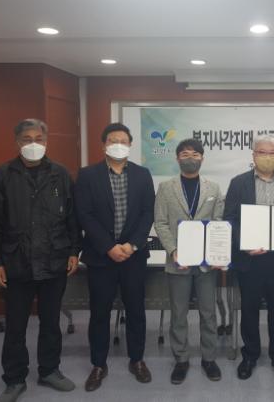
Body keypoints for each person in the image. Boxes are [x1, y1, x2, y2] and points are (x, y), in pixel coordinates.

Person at [0, 118, 79, 402]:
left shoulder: (60, 174)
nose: (33, 144)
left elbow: (72, 217)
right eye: (27, 139)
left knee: (51, 322)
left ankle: (49, 370)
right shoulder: (2, 175)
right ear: (17, 142)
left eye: (39, 138)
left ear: (46, 141)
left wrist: (74, 251)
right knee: (15, 326)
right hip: (16, 263)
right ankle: (14, 379)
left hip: (54, 261)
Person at [75, 123, 155, 391]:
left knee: (136, 311)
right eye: (112, 140)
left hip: (134, 256)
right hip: (101, 257)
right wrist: (109, 246)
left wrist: (132, 245)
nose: (118, 144)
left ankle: (137, 360)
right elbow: (85, 214)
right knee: (99, 313)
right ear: (104, 145)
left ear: (130, 144)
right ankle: (98, 364)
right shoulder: (88, 175)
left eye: (123, 140)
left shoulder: (143, 175)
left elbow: (148, 213)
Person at [224, 134, 274, 381]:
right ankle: (250, 355)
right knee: (249, 311)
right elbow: (229, 219)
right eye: (262, 152)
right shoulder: (238, 183)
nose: (267, 157)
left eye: (272, 153)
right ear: (253, 155)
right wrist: (243, 244)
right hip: (250, 260)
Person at [154, 138, 224, 384]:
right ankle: (181, 359)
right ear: (177, 158)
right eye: (185, 154)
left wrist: (215, 252)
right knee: (179, 314)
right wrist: (173, 250)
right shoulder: (166, 188)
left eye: (195, 154)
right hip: (178, 262)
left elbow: (218, 222)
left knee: (208, 313)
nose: (190, 158)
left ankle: (209, 358)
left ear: (202, 158)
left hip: (206, 265)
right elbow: (160, 222)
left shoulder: (213, 188)